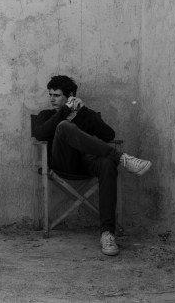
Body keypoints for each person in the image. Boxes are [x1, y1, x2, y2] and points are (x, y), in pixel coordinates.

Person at [33, 75, 153, 256]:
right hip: (62, 164)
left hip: (86, 164)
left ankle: (107, 233)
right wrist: (64, 112)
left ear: (70, 96)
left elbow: (109, 135)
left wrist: (84, 112)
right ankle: (122, 158)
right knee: (64, 126)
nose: (52, 99)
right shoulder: (47, 115)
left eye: (56, 95)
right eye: (50, 94)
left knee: (107, 164)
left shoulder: (85, 115)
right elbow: (40, 134)